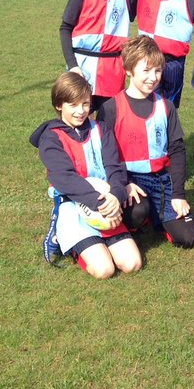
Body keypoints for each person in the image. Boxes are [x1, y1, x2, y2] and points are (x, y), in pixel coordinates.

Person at [33, 71, 141, 278]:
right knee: (104, 270)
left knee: (132, 264)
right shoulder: (51, 138)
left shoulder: (101, 129)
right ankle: (76, 246)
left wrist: (116, 195)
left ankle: (104, 242)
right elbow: (64, 178)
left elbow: (115, 166)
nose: (81, 111)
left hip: (107, 203)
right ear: (59, 105)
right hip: (75, 206)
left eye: (85, 104)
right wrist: (98, 201)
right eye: (73, 105)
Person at [97, 36, 194, 249]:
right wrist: (121, 184)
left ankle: (158, 216)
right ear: (128, 70)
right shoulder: (110, 108)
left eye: (158, 71)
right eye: (146, 71)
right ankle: (141, 220)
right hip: (127, 179)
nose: (153, 77)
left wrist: (179, 194)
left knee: (189, 238)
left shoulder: (167, 107)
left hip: (160, 181)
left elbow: (177, 151)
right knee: (136, 212)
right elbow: (102, 155)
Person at [60, 0, 139, 111]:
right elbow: (65, 28)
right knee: (79, 121)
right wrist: (72, 65)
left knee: (108, 125)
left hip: (113, 70)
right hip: (82, 68)